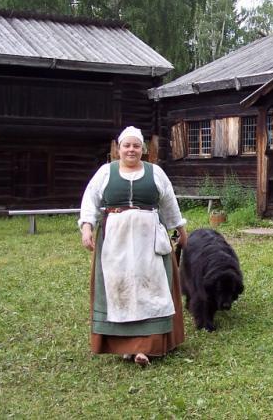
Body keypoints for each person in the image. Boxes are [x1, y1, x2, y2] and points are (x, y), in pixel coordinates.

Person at [78, 126, 188, 366]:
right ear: (118, 148)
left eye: (136, 146)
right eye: (126, 145)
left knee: (152, 289)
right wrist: (87, 226)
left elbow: (169, 202)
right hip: (115, 241)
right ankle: (126, 346)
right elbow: (91, 200)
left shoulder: (155, 172)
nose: (131, 150)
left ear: (143, 149)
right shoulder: (105, 173)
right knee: (121, 287)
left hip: (148, 239)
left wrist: (180, 229)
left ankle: (145, 348)